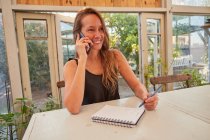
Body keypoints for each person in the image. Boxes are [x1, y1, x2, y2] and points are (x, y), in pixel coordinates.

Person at [63, 8, 158, 114]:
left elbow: (136, 86)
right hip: (87, 125)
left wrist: (146, 97)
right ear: (78, 35)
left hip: (115, 120)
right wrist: (82, 59)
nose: (98, 35)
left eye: (101, 29)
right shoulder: (71, 66)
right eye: (91, 29)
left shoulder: (115, 56)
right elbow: (73, 108)